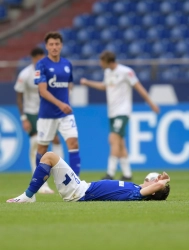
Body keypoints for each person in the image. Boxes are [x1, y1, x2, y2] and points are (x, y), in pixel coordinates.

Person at [80, 51, 159, 181]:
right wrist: (88, 83)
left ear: (108, 61)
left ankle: (110, 173)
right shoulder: (107, 73)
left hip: (122, 111)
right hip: (112, 112)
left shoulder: (126, 72)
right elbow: (103, 86)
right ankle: (127, 174)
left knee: (113, 139)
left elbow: (139, 87)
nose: (100, 64)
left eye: (102, 61)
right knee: (120, 143)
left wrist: (151, 103)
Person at [6, 152, 170, 203]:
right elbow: (156, 187)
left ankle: (28, 196)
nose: (155, 179)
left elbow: (158, 187)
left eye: (155, 181)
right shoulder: (135, 188)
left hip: (79, 192)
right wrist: (160, 182)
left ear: (154, 192)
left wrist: (164, 182)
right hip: (81, 187)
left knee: (49, 156)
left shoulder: (136, 195)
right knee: (49, 158)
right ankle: (30, 195)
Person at [14, 47, 64, 194]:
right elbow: (19, 97)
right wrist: (23, 118)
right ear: (33, 58)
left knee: (56, 140)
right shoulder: (25, 75)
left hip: (47, 112)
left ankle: (61, 174)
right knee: (36, 144)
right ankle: (40, 183)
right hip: (32, 113)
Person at [34, 32, 81, 176]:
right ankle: (40, 182)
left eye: (57, 44)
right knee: (42, 147)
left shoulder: (67, 64)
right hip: (47, 114)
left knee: (73, 143)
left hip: (65, 114)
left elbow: (69, 83)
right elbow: (42, 91)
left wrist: (66, 100)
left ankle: (76, 184)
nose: (54, 47)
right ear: (47, 47)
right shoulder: (41, 64)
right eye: (51, 44)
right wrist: (61, 103)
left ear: (61, 46)